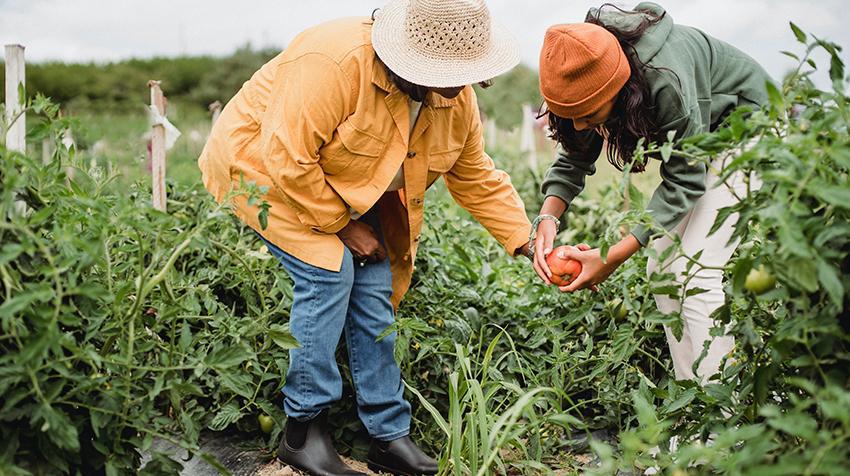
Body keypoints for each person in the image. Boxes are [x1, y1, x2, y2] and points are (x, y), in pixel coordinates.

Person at [198, 0, 532, 474]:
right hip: (263, 173)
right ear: (409, 57)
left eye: (467, 74)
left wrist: (526, 240)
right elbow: (287, 158)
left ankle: (387, 435)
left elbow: (475, 174)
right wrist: (345, 227)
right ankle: (302, 430)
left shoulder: (454, 98)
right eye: (446, 73)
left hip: (342, 184)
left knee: (375, 281)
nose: (458, 87)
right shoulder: (333, 62)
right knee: (328, 273)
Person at [531, 2, 772, 383]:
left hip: (751, 132)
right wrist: (547, 218)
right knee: (660, 267)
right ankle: (690, 406)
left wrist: (609, 257)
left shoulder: (665, 80)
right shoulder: (583, 67)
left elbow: (685, 180)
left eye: (589, 115)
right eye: (570, 114)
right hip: (706, 142)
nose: (579, 124)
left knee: (695, 270)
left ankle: (723, 423)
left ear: (619, 90)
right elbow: (573, 158)